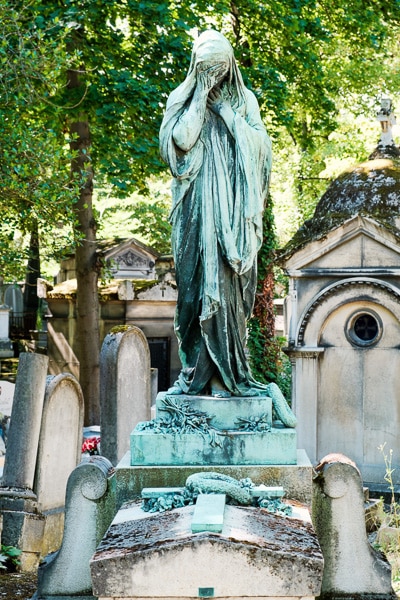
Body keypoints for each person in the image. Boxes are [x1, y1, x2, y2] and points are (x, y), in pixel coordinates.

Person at [160, 30, 272, 398]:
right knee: (192, 294)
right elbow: (181, 140)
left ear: (230, 65)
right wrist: (201, 96)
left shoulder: (244, 101)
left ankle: (228, 376)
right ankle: (196, 373)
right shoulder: (182, 97)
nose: (214, 73)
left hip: (232, 221)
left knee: (227, 294)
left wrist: (226, 114)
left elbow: (261, 148)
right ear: (196, 64)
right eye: (207, 66)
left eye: (219, 66)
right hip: (194, 213)